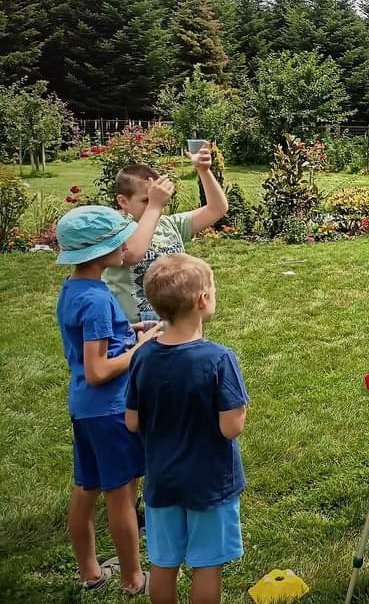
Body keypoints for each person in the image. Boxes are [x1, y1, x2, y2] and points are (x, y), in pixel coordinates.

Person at [126, 254, 248, 604]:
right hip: (209, 482)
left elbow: (132, 421)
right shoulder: (218, 359)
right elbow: (231, 428)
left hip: (161, 480)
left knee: (164, 563)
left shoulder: (142, 356)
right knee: (206, 565)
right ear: (202, 300)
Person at [55, 205, 160, 596]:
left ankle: (89, 573)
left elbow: (89, 344)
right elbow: (99, 369)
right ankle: (134, 579)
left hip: (84, 408)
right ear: (98, 252)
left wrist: (127, 331)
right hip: (110, 408)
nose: (126, 246)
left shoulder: (75, 290)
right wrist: (141, 347)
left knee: (86, 487)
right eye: (118, 241)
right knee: (121, 492)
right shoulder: (98, 300)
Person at [104, 144, 228, 325]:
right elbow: (131, 254)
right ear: (123, 201)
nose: (157, 204)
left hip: (175, 325)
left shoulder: (168, 224)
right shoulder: (112, 227)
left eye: (159, 198)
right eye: (146, 200)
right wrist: (154, 206)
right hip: (133, 330)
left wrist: (203, 171)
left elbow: (217, 209)